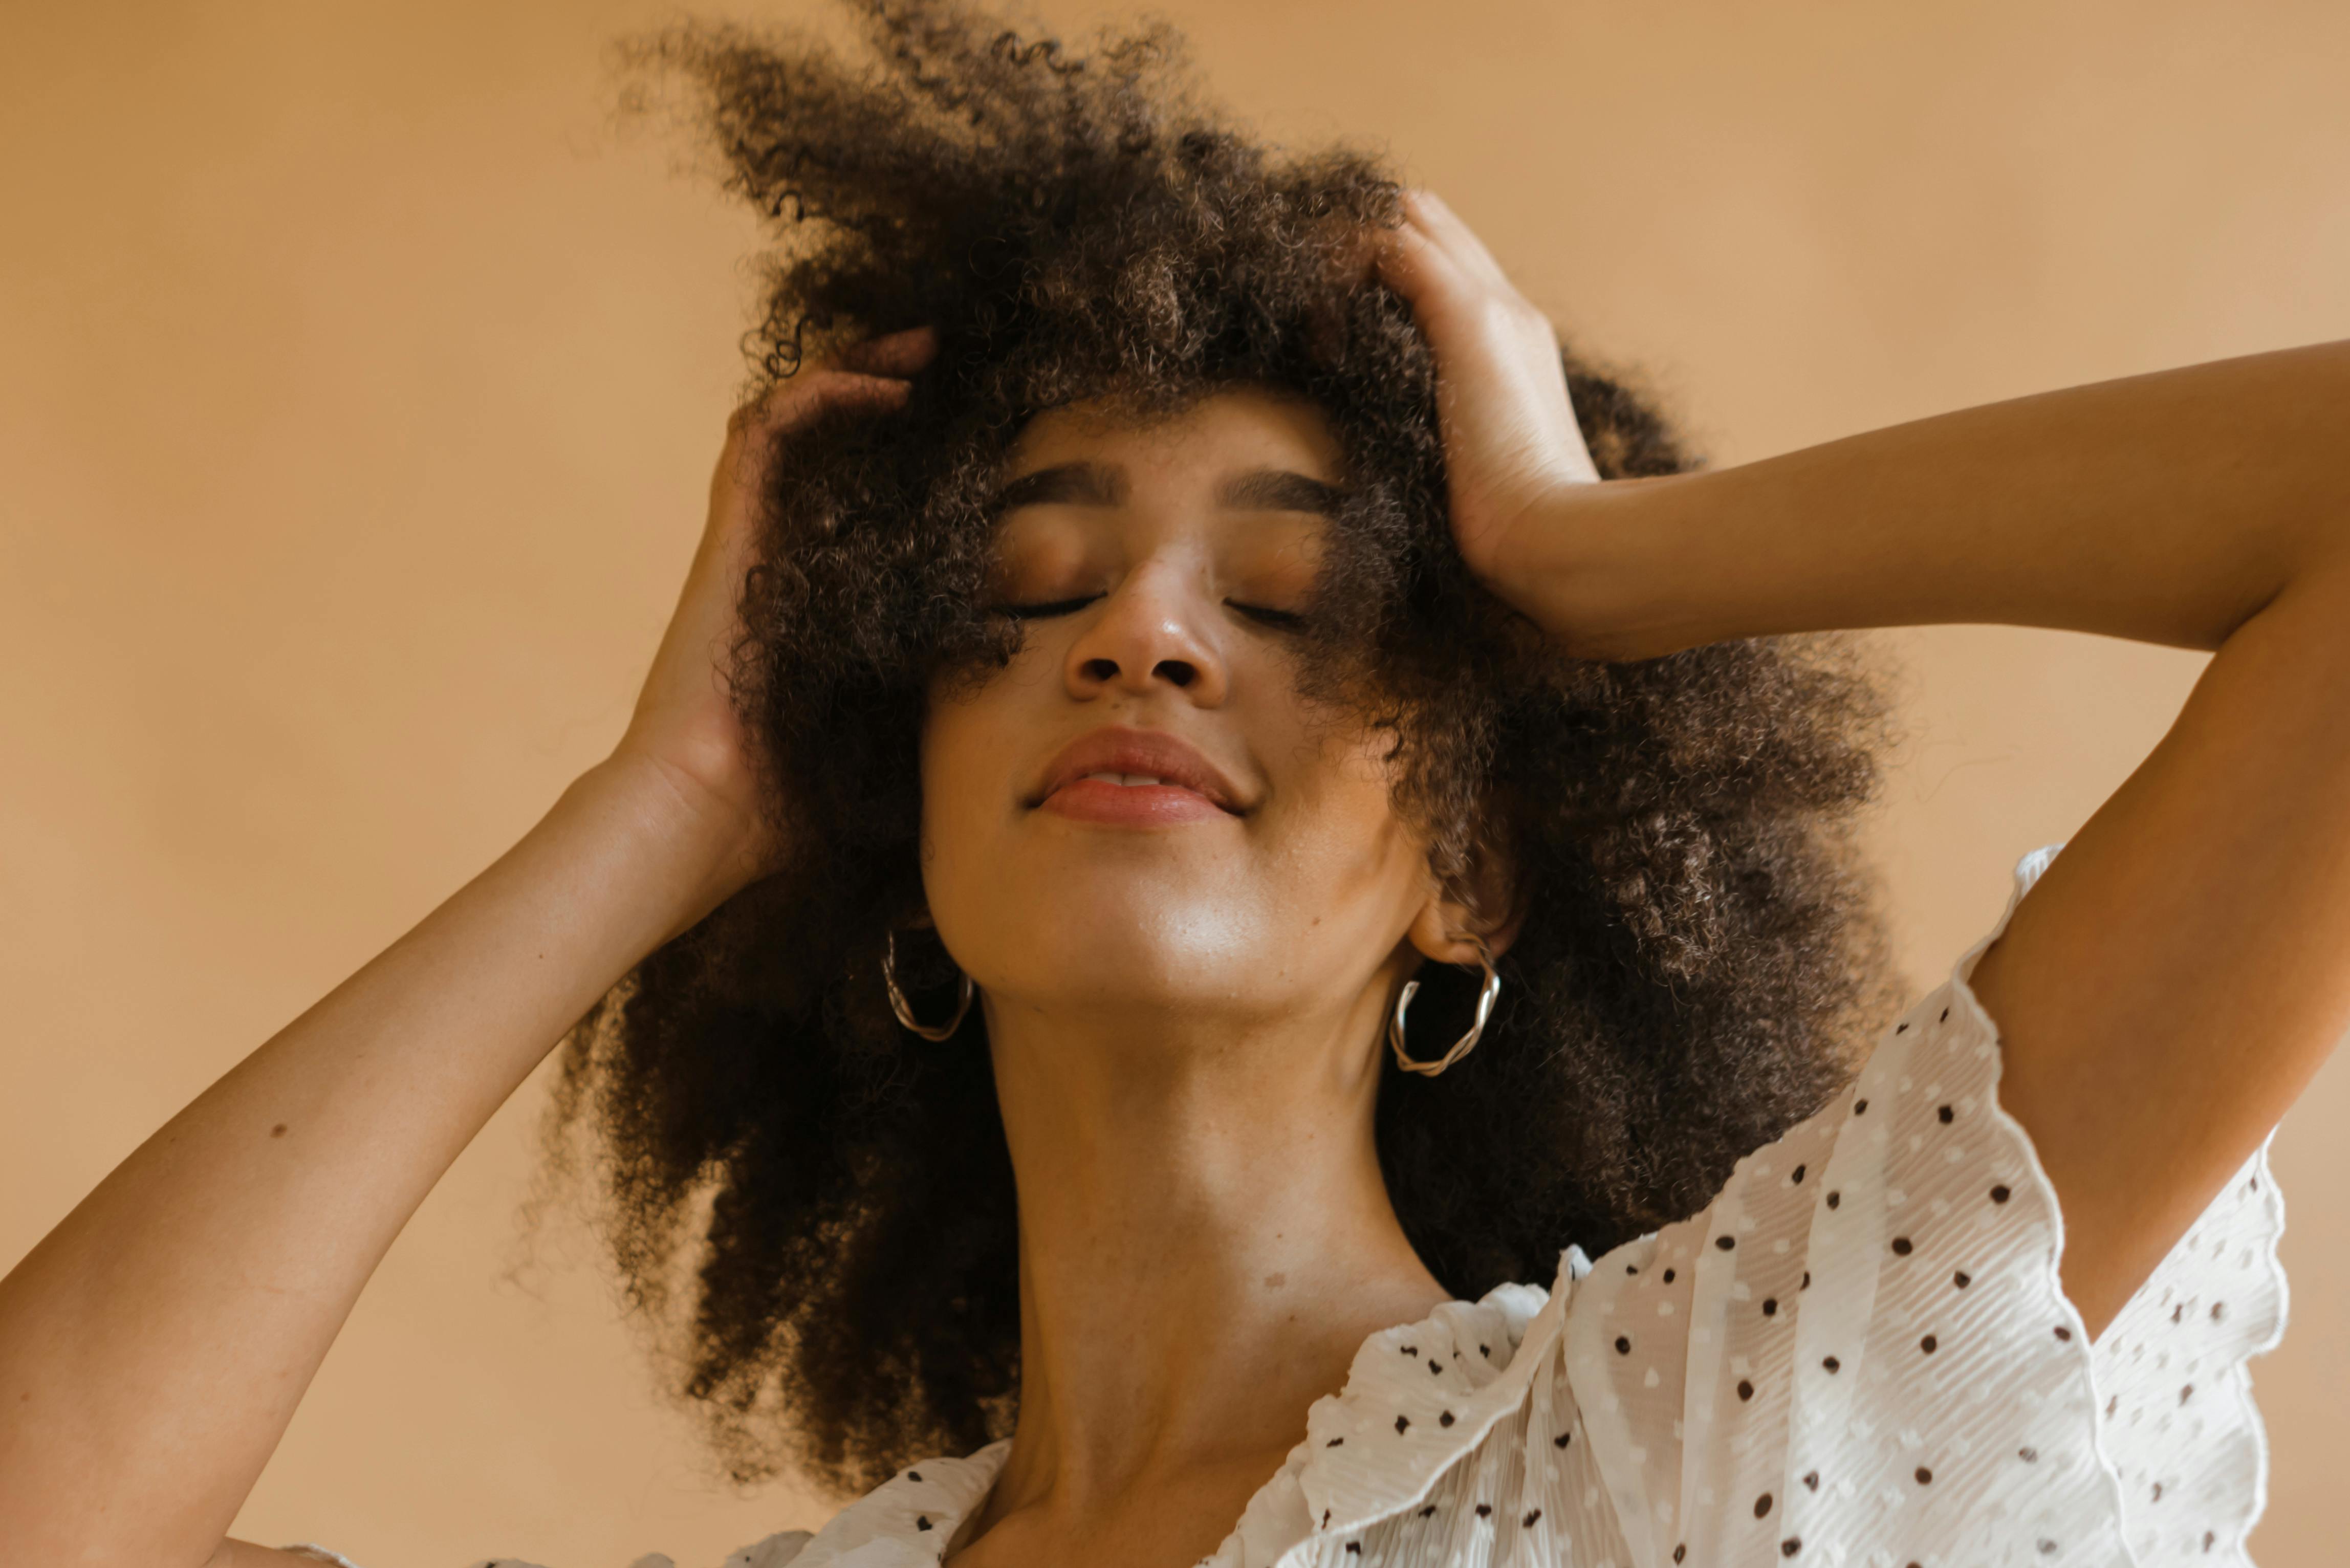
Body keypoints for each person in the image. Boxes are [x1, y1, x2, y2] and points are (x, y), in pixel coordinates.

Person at [3, 3, 2343, 1565]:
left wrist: (1590, 554)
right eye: (1016, 586)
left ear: (1472, 855)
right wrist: (677, 795)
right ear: (888, 811)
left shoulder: (1732, 1424)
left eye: (1299, 603)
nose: (1140, 633)